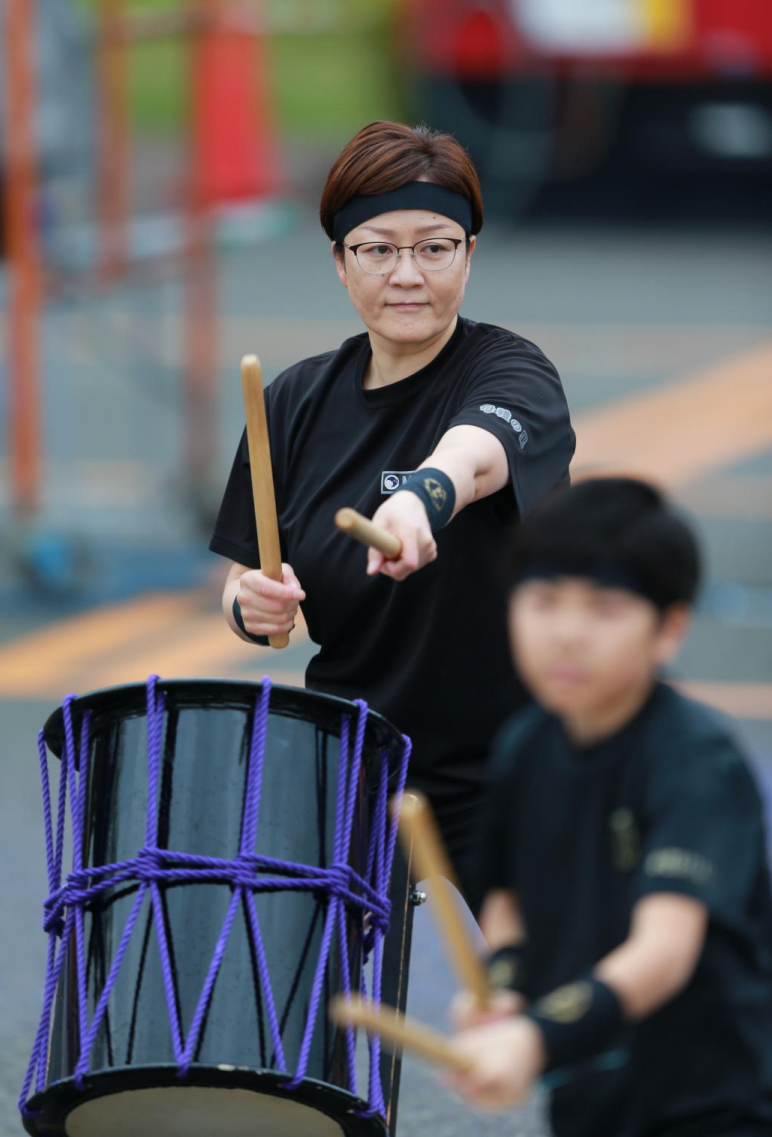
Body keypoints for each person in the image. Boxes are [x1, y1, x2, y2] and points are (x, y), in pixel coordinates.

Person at [209, 119, 575, 903]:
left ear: (469, 257)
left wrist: (417, 501)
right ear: (341, 264)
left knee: (544, 1004)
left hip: (508, 757)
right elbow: (250, 579)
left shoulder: (511, 370)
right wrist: (250, 603)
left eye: (435, 247)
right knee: (290, 1005)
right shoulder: (292, 402)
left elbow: (473, 454)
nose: (407, 274)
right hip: (354, 756)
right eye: (378, 249)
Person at [447, 477, 772, 1136]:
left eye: (603, 608)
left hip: (716, 1107)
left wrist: (536, 1038)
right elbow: (506, 897)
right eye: (542, 601)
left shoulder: (693, 759)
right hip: (588, 1101)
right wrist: (506, 983)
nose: (567, 633)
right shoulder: (525, 745)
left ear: (669, 628)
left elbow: (665, 948)